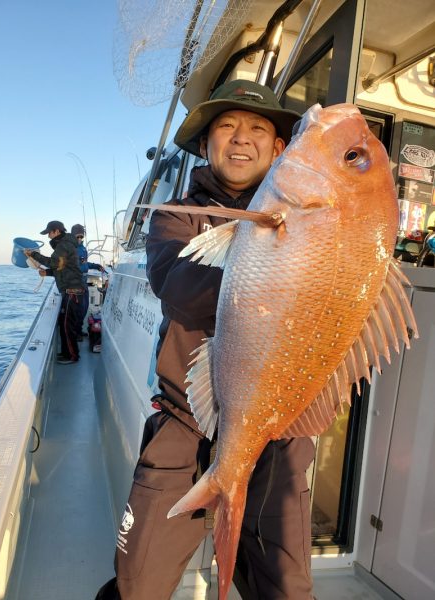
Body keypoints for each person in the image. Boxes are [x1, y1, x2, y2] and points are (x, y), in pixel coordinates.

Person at [96, 80, 315, 599]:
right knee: (136, 585)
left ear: (281, 149)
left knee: (287, 589)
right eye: (227, 126)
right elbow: (177, 284)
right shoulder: (176, 216)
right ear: (206, 144)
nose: (242, 139)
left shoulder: (311, 220)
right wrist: (281, 275)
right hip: (183, 428)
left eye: (259, 128)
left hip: (275, 434)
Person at [25, 220, 85, 364]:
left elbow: (53, 262)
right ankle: (67, 353)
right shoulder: (66, 244)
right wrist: (47, 273)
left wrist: (33, 254)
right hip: (71, 290)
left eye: (49, 233)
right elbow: (62, 268)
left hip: (72, 291)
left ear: (57, 231)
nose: (48, 236)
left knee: (67, 326)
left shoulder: (64, 245)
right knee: (64, 323)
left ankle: (72, 356)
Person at [70, 223, 106, 340]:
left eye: (81, 237)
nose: (80, 239)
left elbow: (85, 264)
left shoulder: (83, 248)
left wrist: (96, 266)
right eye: (77, 237)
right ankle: (75, 333)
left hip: (84, 281)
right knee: (78, 309)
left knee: (84, 308)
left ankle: (79, 331)